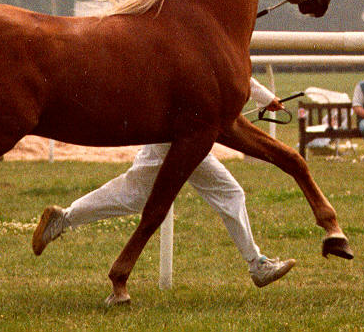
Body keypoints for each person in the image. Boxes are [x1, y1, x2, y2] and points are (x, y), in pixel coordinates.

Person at [33, 78, 296, 288]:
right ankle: (257, 264)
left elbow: (230, 71)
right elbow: (229, 71)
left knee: (134, 195)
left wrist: (265, 97)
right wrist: (266, 97)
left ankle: (65, 218)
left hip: (176, 134)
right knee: (227, 192)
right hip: (180, 138)